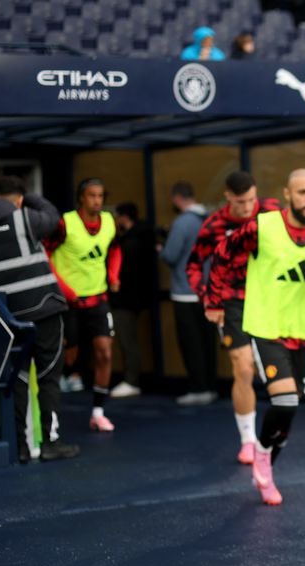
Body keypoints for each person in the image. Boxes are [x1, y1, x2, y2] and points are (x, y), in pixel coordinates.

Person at [215, 169, 305, 504]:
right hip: (266, 327)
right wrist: (216, 301)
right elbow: (222, 256)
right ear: (287, 194)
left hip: (304, 331)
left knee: (290, 408)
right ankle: (262, 454)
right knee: (285, 400)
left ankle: (265, 460)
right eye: (302, 192)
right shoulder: (262, 227)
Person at [0, 177, 80, 463]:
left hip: (8, 319)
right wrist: (28, 198)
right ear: (18, 201)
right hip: (44, 310)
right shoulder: (25, 218)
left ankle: (21, 447)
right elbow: (52, 215)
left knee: (18, 381)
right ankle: (51, 443)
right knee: (48, 376)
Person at [196, 172, 283, 465]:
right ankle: (248, 441)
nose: (247, 208)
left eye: (251, 200)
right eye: (241, 202)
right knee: (243, 369)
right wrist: (209, 298)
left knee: (276, 373)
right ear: (228, 197)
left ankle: (276, 430)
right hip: (232, 301)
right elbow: (194, 264)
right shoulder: (214, 225)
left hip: (268, 298)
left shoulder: (272, 212)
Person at [43, 178, 121, 432]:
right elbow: (44, 254)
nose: (96, 201)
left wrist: (113, 275)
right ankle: (49, 415)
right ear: (81, 198)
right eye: (91, 195)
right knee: (69, 358)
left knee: (105, 353)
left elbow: (115, 249)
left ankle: (98, 413)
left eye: (100, 196)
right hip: (69, 303)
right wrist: (63, 289)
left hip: (98, 299)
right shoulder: (65, 224)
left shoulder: (108, 222)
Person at [160, 182, 216, 407]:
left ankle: (198, 388)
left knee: (191, 343)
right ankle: (210, 386)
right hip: (207, 291)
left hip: (186, 291)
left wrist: (160, 249)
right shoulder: (209, 219)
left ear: (176, 198)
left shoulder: (182, 223)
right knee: (207, 343)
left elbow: (171, 255)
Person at [109, 202, 155, 398]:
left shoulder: (129, 244)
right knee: (129, 339)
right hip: (136, 297)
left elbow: (123, 271)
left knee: (128, 340)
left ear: (124, 217)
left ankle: (131, 380)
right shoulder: (142, 237)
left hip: (125, 298)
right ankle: (132, 379)